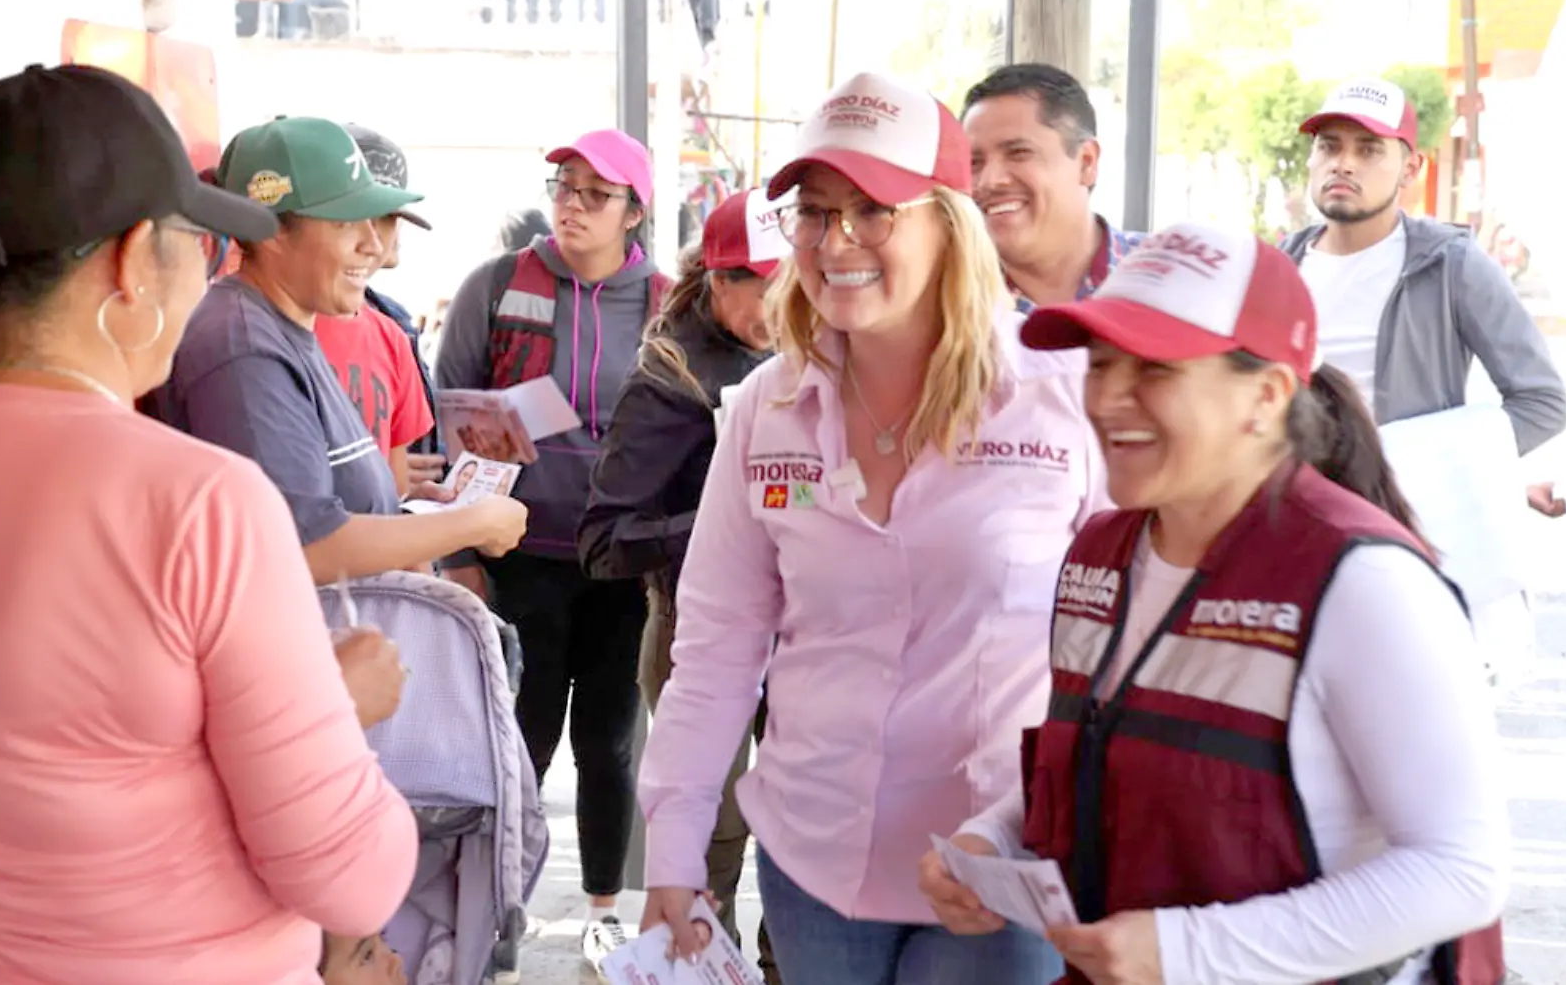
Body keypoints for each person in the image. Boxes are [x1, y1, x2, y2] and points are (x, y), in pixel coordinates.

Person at [0, 64, 418, 985]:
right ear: (134, 259)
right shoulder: (202, 505)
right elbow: (353, 879)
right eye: (203, 244)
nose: (208, 273)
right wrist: (337, 710)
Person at [924, 222, 1510, 985]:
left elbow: (1461, 871)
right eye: (1101, 364)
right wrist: (992, 841)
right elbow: (1093, 759)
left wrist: (1185, 952)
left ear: (1265, 396)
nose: (1108, 398)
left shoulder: (1366, 583)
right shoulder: (1099, 552)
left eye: (1156, 369)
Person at [638, 72, 1101, 985]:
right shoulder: (763, 411)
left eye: (874, 210)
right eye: (813, 212)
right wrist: (674, 845)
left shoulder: (1061, 395)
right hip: (812, 866)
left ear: (951, 221)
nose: (834, 241)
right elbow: (719, 646)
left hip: (998, 876)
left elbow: (1116, 653)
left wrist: (1028, 822)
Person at [433, 128, 672, 961]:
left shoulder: (667, 302)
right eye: (563, 187)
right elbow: (443, 407)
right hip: (517, 552)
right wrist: (457, 552)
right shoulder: (497, 286)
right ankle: (498, 905)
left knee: (608, 743)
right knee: (517, 739)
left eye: (594, 194)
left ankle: (602, 910)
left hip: (620, 565)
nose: (571, 205)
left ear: (634, 213)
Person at [147, 115, 527, 583]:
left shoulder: (282, 325)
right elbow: (303, 548)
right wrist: (471, 524)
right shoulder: (242, 347)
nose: (373, 244)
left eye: (374, 219)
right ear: (269, 230)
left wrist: (404, 507)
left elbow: (323, 500)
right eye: (346, 221)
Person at [1282, 78, 1566, 686]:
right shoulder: (1279, 269)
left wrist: (1444, 469)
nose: (1343, 163)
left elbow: (1542, 401)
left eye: (1368, 149)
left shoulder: (1450, 264)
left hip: (1408, 550)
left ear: (1410, 167)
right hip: (1293, 540)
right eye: (1329, 146)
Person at [577, 187, 786, 975]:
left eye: (787, 278)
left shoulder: (817, 354)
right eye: (755, 282)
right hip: (697, 627)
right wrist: (729, 521)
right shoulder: (669, 378)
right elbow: (603, 542)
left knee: (800, 831)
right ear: (715, 278)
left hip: (803, 635)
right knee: (711, 832)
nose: (775, 300)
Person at [961, 64, 1143, 311]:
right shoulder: (943, 304)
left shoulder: (1174, 279)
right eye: (974, 162)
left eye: (1019, 153)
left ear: (1086, 163)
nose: (989, 181)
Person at [345, 122, 449, 492]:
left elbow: (403, 467)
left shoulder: (393, 326)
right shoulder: (273, 328)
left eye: (386, 217)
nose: (370, 239)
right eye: (354, 216)